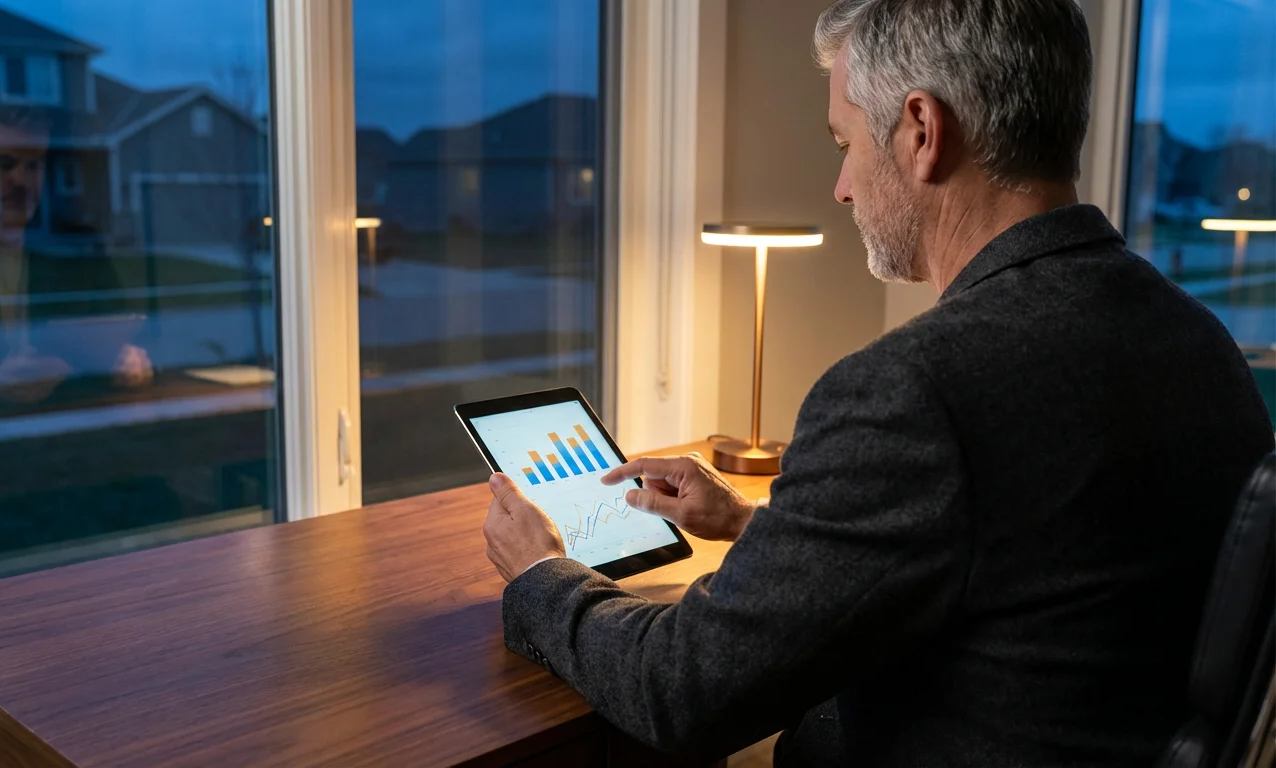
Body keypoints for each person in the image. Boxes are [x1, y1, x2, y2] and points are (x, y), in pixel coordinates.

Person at [479, 1, 1275, 765]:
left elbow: (684, 692)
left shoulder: (915, 389)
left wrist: (542, 573)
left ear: (923, 132)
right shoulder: (1194, 337)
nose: (843, 187)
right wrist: (759, 525)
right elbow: (1032, 570)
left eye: (844, 143)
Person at [0, 103, 151, 405]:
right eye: (4, 163)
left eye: (33, 165)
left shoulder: (79, 252)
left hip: (65, 429)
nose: (21, 180)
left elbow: (133, 340)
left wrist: (132, 363)